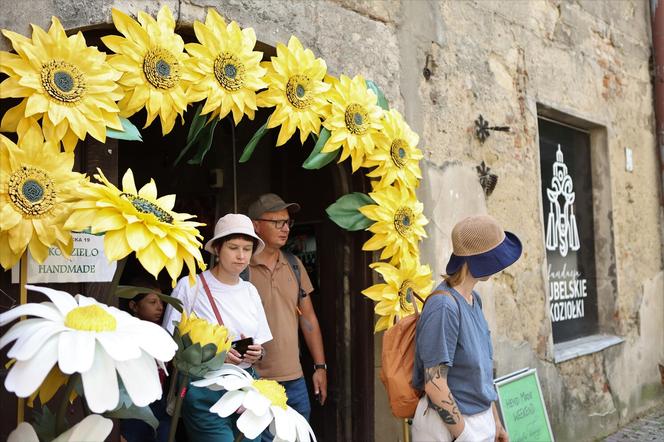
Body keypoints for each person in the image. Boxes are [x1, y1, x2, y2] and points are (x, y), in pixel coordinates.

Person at [162, 213, 272, 442]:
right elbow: (167, 344)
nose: (241, 256)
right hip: (204, 390)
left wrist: (257, 353)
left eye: (247, 249)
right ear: (217, 249)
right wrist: (215, 357)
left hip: (244, 387)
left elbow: (261, 343)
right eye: (233, 247)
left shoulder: (250, 291)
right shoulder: (191, 286)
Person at [411, 215, 522, 442]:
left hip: (478, 424)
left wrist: (496, 424)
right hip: (449, 429)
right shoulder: (443, 307)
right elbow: (435, 384)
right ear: (480, 260)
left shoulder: (473, 299)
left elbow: (480, 372)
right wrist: (466, 437)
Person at [246, 193, 327, 425]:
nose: (285, 229)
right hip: (255, 379)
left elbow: (308, 319)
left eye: (287, 222)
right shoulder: (242, 268)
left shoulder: (294, 264)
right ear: (256, 226)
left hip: (295, 379)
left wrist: (320, 367)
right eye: (277, 222)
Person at [119, 277, 169, 442]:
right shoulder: (124, 333)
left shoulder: (161, 333)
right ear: (134, 306)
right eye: (152, 302)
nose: (160, 307)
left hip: (157, 399)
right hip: (133, 401)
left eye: (161, 301)